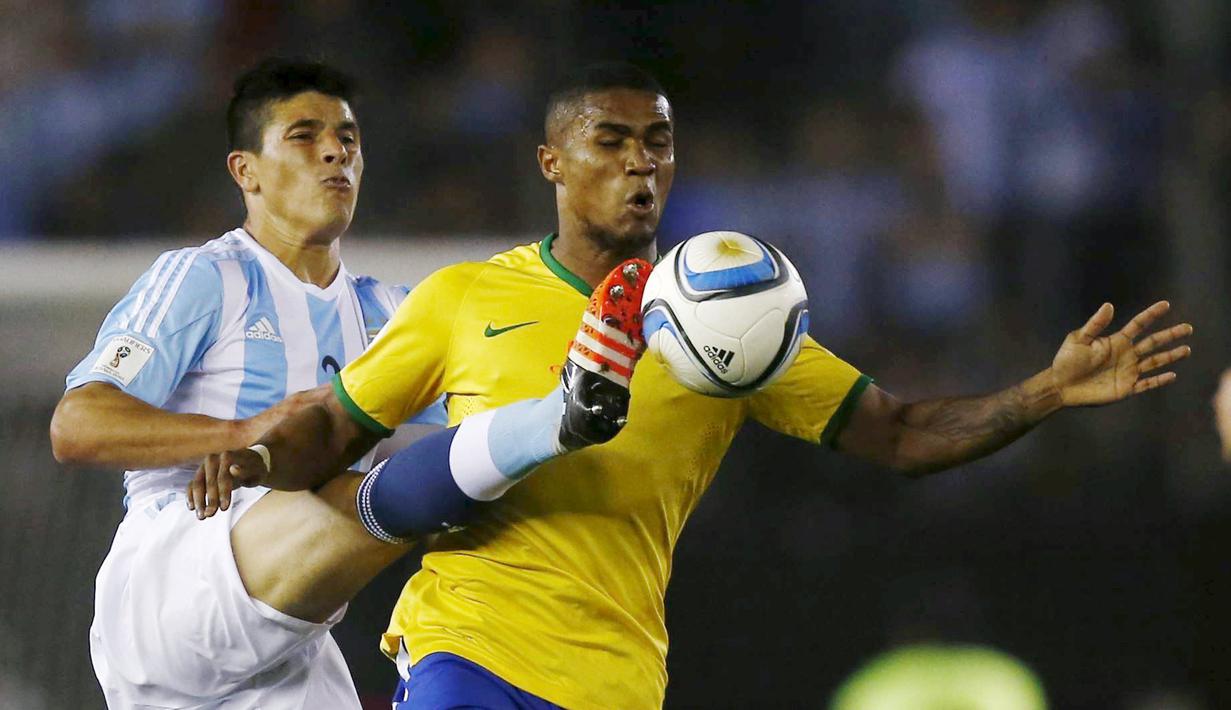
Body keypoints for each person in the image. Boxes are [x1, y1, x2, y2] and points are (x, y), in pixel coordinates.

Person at [198, 62, 1193, 709]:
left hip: (620, 674)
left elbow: (896, 431)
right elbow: (331, 425)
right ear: (552, 161)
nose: (640, 166)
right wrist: (245, 453)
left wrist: (1041, 393)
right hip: (468, 651)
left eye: (658, 143)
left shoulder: (730, 320)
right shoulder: (462, 297)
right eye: (611, 142)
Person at [53, 57, 640, 710]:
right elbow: (77, 426)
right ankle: (552, 422)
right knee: (372, 486)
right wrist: (244, 432)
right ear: (245, 171)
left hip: (292, 640)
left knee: (482, 475)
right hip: (177, 583)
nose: (335, 151)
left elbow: (476, 428)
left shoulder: (390, 314)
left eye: (348, 139)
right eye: (304, 136)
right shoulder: (204, 277)